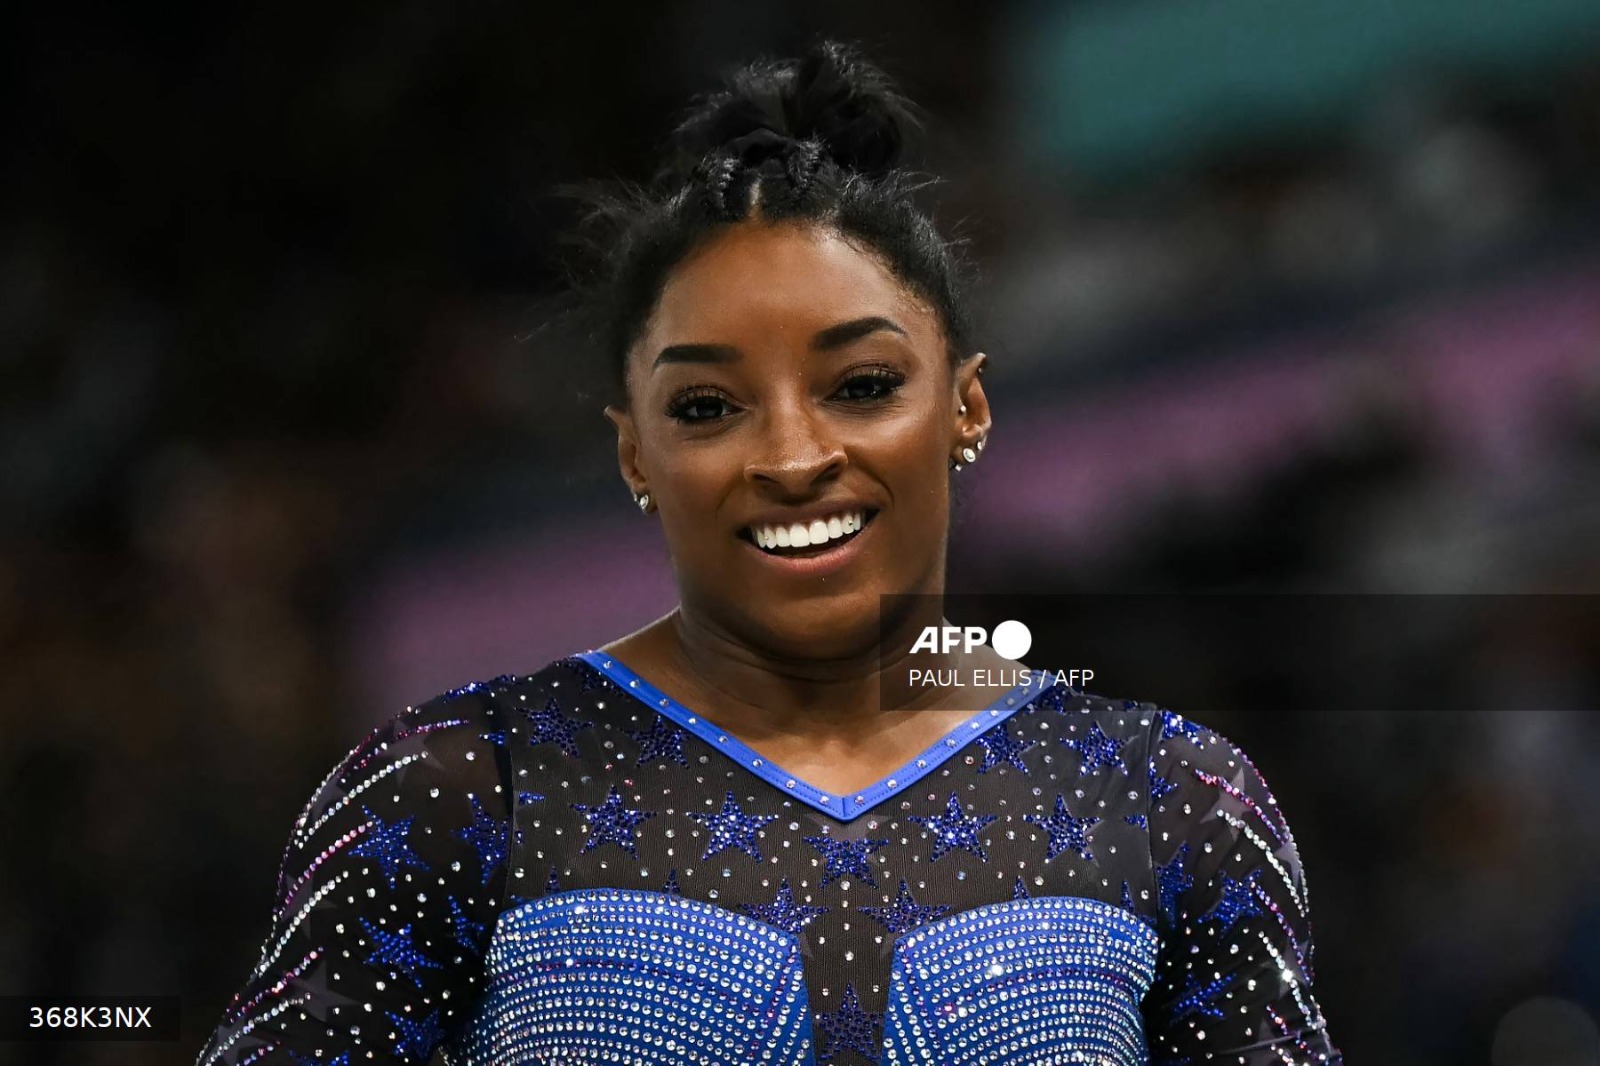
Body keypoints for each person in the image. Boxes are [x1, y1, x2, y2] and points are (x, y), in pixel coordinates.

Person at [196, 40, 1341, 1066]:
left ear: (964, 408)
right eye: (705, 406)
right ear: (634, 452)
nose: (793, 455)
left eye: (861, 386)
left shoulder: (1166, 800)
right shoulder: (459, 790)